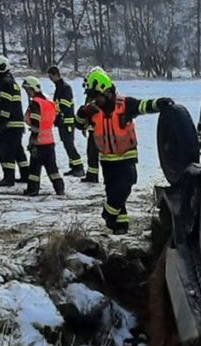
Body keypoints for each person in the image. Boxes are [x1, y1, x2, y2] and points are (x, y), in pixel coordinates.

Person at [75, 68, 173, 234]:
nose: (93, 100)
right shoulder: (93, 111)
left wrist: (160, 104)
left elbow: (144, 106)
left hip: (126, 158)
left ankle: (108, 214)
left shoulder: (125, 105)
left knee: (123, 189)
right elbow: (78, 124)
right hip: (107, 161)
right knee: (113, 192)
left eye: (95, 96)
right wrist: (82, 112)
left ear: (106, 91)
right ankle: (120, 226)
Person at [0, 55, 30, 187]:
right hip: (17, 123)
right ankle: (25, 175)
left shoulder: (5, 83)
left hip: (10, 124)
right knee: (18, 151)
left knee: (7, 151)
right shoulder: (11, 82)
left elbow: (5, 106)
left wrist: (1, 122)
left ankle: (9, 178)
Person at [21, 76, 65, 197]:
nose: (27, 92)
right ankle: (59, 189)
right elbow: (56, 119)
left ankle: (32, 190)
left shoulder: (36, 104)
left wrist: (33, 141)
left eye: (28, 90)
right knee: (52, 169)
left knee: (34, 169)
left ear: (32, 89)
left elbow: (35, 123)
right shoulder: (48, 103)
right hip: (49, 141)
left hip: (39, 142)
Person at [47, 66, 84, 177]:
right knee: (67, 144)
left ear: (56, 75)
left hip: (67, 122)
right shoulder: (59, 88)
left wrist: (57, 114)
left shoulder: (65, 88)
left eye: (51, 77)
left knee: (69, 145)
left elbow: (64, 105)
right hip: (62, 122)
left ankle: (79, 167)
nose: (50, 79)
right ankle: (73, 166)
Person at [80, 67, 102, 184]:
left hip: (97, 129)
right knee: (91, 153)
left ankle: (93, 176)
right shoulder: (93, 94)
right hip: (93, 128)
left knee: (93, 153)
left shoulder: (96, 96)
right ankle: (92, 175)